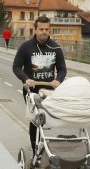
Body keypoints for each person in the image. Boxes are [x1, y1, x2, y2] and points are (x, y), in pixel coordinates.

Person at [12, 15, 67, 160]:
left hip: (49, 90)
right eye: (41, 29)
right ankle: (35, 148)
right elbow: (16, 67)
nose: (44, 32)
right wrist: (25, 78)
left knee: (47, 119)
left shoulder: (55, 48)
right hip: (31, 90)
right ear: (35, 30)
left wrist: (58, 79)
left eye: (46, 29)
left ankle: (44, 144)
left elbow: (62, 69)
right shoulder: (26, 47)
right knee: (36, 119)